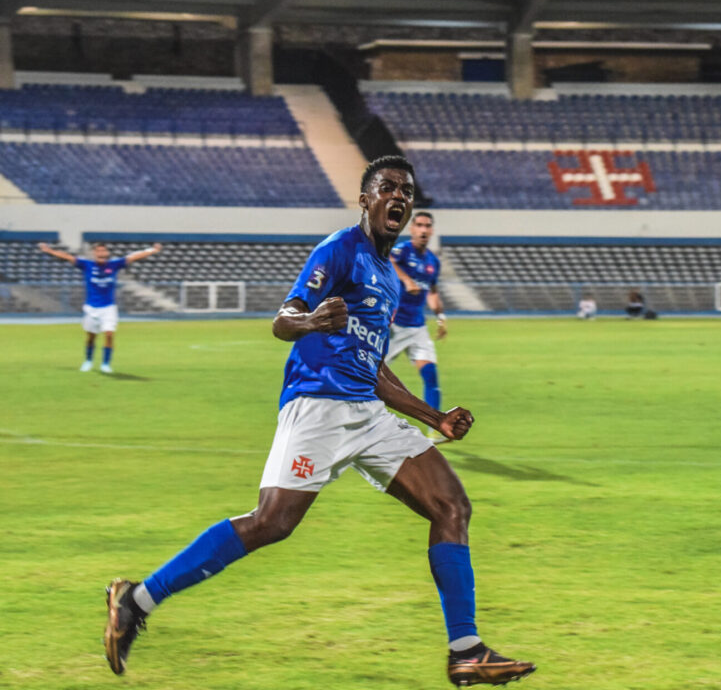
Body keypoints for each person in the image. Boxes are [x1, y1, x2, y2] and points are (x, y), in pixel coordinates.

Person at [102, 156, 535, 688]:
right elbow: (284, 319)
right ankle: (136, 601)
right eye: (387, 188)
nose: (398, 196)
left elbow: (372, 365)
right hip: (318, 406)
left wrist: (435, 418)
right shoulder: (339, 250)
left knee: (452, 505)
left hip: (367, 412)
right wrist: (308, 320)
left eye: (406, 190)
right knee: (271, 523)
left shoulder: (387, 280)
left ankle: (466, 651)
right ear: (366, 199)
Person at [37, 241, 162, 373]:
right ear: (94, 253)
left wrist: (152, 250)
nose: (101, 253)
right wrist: (49, 251)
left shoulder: (114, 265)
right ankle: (88, 360)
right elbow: (67, 257)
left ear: (107, 253)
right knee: (91, 337)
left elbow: (134, 257)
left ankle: (105, 364)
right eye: (98, 251)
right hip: (91, 308)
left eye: (103, 251)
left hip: (108, 308)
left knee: (109, 334)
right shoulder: (87, 265)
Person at [386, 211, 447, 438]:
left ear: (431, 231)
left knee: (431, 375)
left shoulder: (433, 262)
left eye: (427, 226)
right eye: (419, 225)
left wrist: (441, 317)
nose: (423, 230)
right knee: (368, 375)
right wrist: (406, 279)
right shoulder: (402, 251)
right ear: (412, 229)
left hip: (417, 327)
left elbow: (432, 291)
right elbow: (387, 261)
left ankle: (435, 431)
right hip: (392, 326)